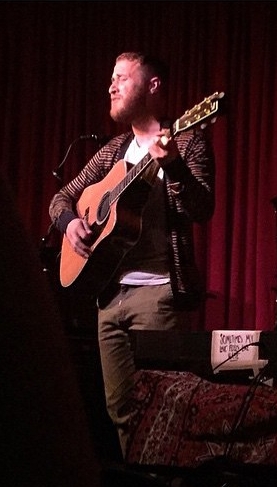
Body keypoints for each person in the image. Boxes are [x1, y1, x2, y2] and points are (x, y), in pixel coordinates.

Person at [49, 51, 216, 460]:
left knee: (167, 407)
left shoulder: (188, 141)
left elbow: (202, 209)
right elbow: (59, 199)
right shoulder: (113, 151)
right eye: (112, 78)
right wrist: (70, 222)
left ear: (153, 86)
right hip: (108, 298)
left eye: (122, 77)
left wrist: (173, 166)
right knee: (119, 409)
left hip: (158, 294)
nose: (112, 85)